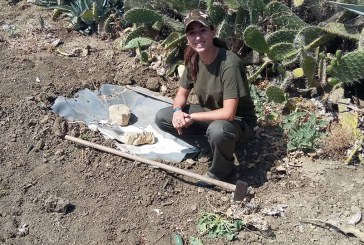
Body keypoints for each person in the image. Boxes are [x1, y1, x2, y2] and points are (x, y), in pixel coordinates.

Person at [155, 9, 257, 183]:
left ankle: (220, 171)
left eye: (202, 30)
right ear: (187, 38)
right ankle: (212, 147)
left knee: (218, 131)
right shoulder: (194, 59)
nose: (198, 37)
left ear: (213, 31)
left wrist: (192, 117)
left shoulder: (229, 64)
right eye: (192, 33)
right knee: (163, 117)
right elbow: (181, 94)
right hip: (209, 112)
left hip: (237, 122)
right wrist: (178, 111)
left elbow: (229, 114)